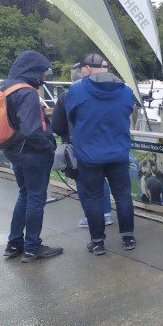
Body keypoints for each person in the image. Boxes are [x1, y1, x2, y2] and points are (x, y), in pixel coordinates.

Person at [65, 53, 137, 255]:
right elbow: (129, 112)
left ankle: (97, 242)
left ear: (87, 68)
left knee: (94, 198)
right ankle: (128, 238)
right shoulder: (126, 91)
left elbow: (71, 116)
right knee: (123, 195)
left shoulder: (77, 90)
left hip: (89, 155)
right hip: (118, 153)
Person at [0, 51, 63, 262]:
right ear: (33, 71)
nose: (44, 77)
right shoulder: (27, 92)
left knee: (24, 194)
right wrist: (49, 147)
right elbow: (31, 130)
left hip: (12, 149)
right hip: (32, 153)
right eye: (43, 73)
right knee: (36, 198)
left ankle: (14, 244)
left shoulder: (5, 87)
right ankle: (32, 247)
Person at [51, 61, 113, 228]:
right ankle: (106, 213)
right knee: (102, 179)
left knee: (83, 181)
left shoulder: (67, 95)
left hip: (78, 146)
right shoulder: (107, 91)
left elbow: (56, 125)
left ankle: (92, 218)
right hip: (106, 143)